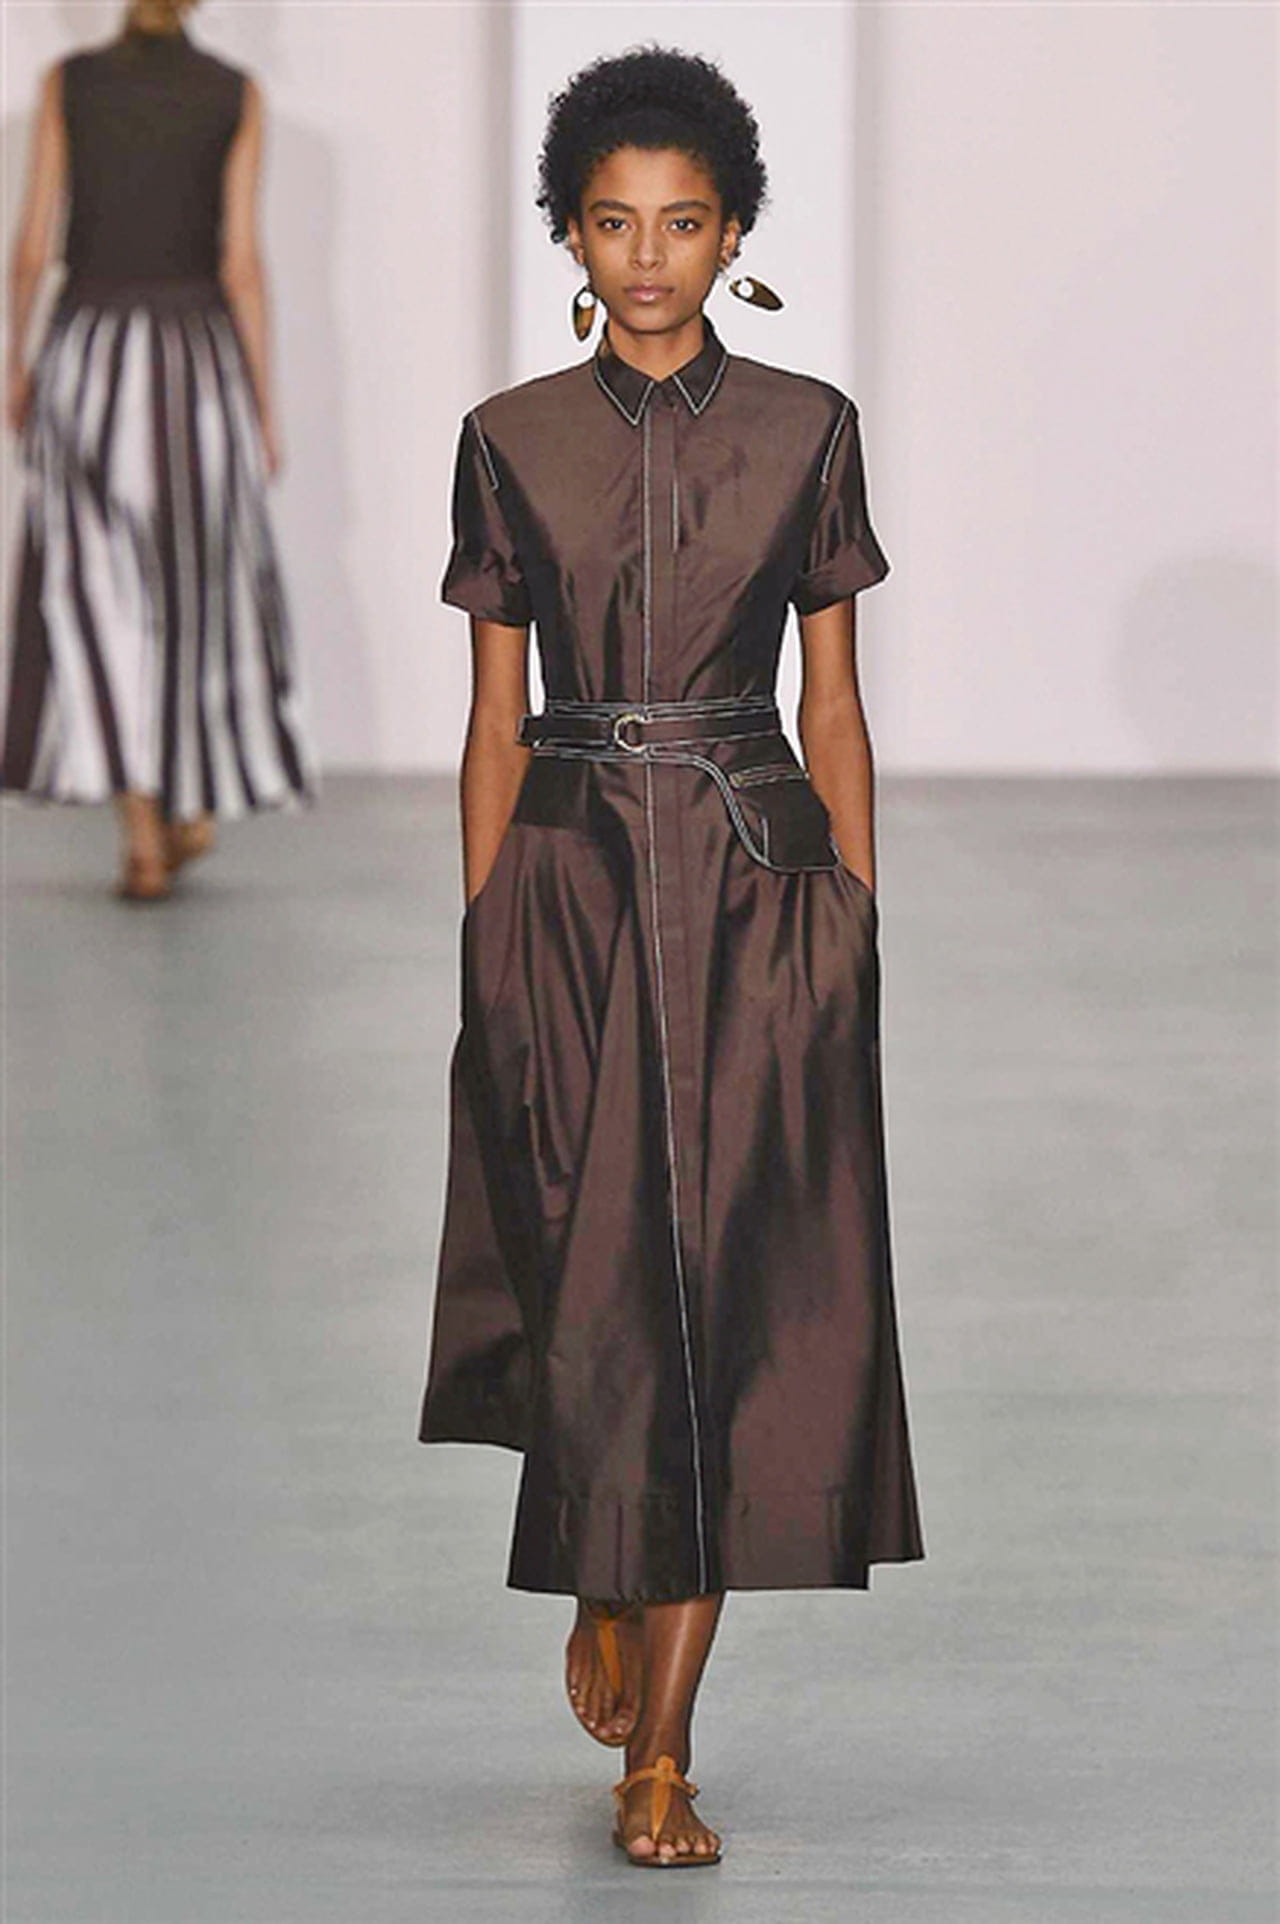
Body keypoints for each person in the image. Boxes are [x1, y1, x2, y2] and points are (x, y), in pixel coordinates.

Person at [419, 46, 924, 1868]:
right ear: (569, 231)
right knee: (592, 1271)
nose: (649, 255)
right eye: (615, 221)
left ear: (733, 234)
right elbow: (492, 718)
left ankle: (664, 1755)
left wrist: (854, 915)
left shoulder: (808, 427)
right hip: (566, 882)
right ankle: (602, 1569)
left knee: (725, 1287)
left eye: (684, 222)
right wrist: (486, 925)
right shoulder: (508, 435)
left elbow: (834, 703)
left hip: (754, 878)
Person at [2, 0, 312, 901]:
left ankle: (142, 830)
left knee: (96, 594)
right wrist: (263, 405)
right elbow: (241, 262)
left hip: (86, 353)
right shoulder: (234, 94)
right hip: (193, 362)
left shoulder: (69, 85)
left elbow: (32, 249)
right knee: (194, 587)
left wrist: (19, 362)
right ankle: (188, 801)